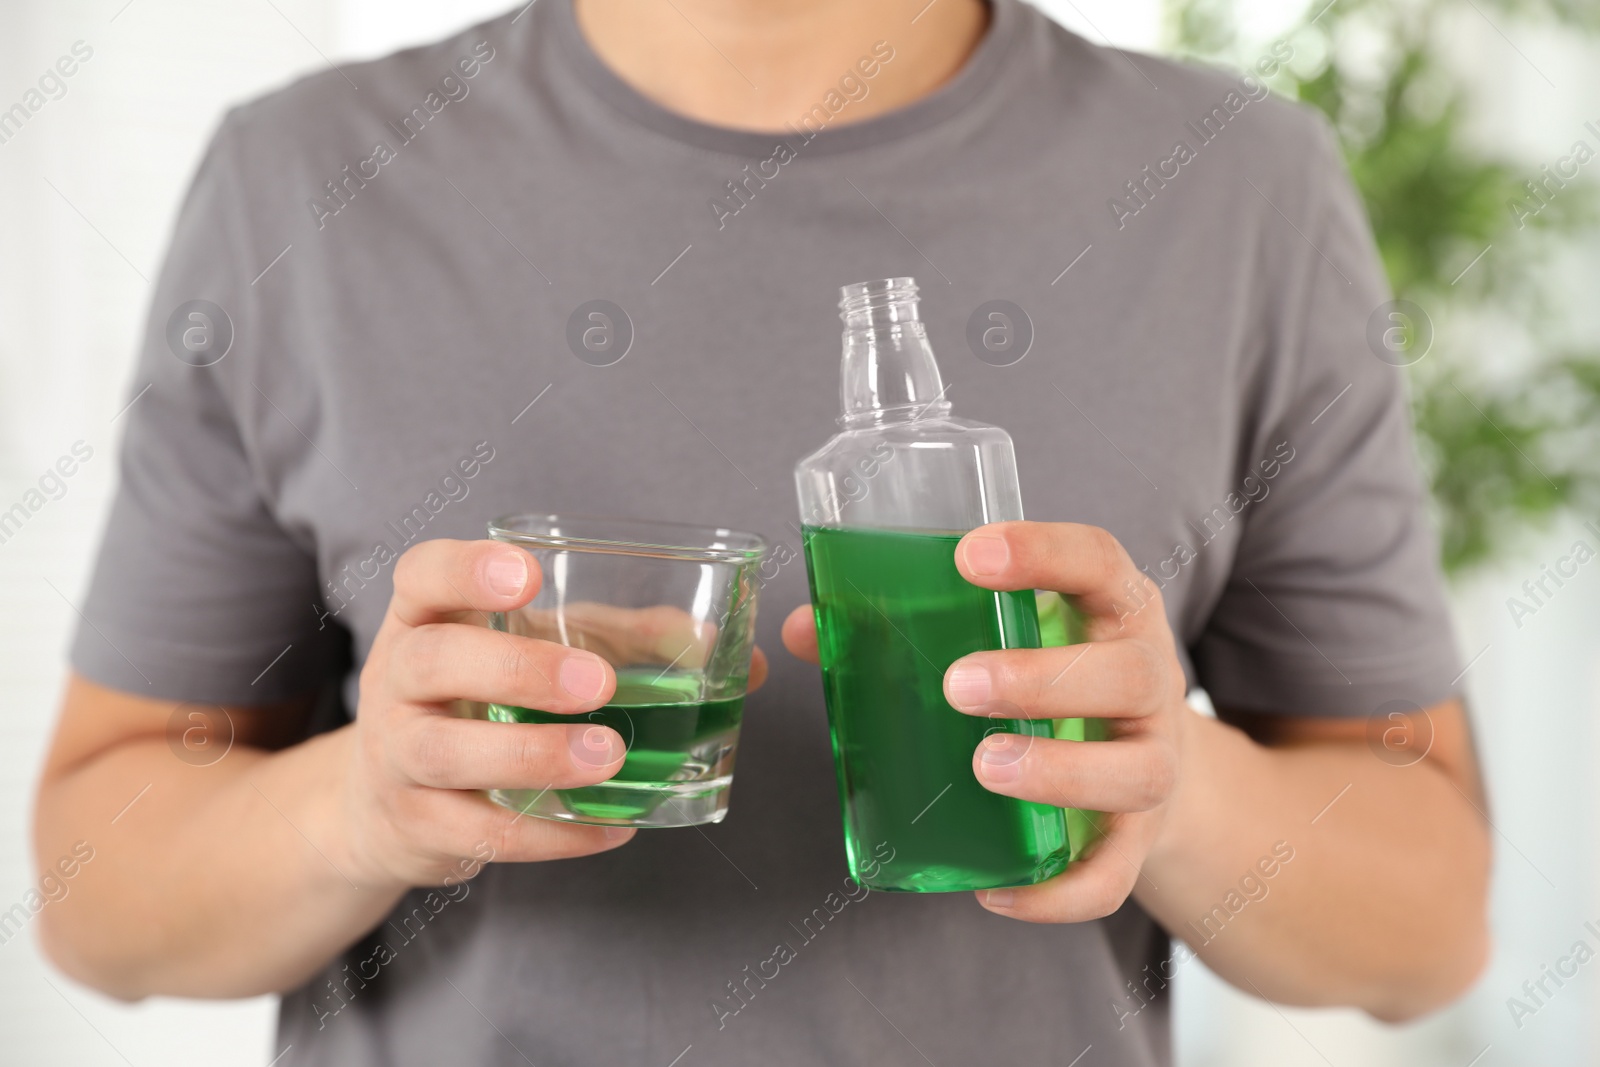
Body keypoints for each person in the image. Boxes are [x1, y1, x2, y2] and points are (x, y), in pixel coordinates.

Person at [33, 0, 1490, 1063]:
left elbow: (1428, 929)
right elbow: (94, 899)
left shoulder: (1240, 189)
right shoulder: (299, 181)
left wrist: (1173, 785)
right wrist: (359, 808)